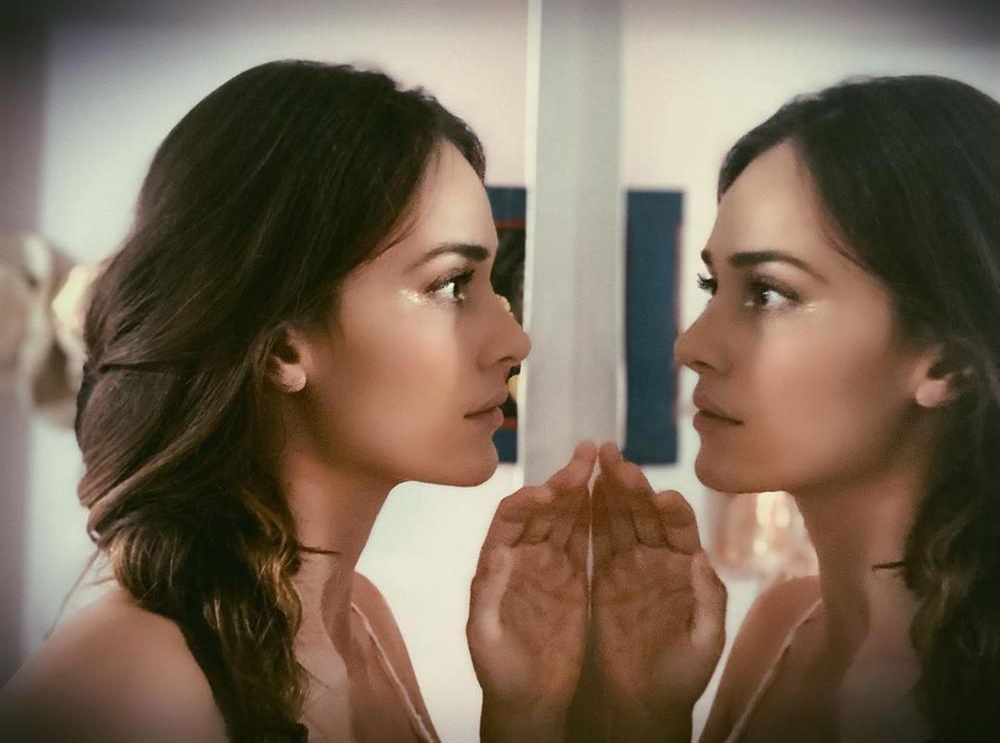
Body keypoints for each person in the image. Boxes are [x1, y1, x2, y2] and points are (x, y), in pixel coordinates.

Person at [0, 58, 599, 743]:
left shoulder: (361, 623)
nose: (515, 340)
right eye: (451, 284)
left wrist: (523, 714)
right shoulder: (125, 686)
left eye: (490, 284)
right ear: (283, 348)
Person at [670, 75, 1000, 742]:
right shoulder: (775, 630)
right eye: (713, 284)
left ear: (949, 367)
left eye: (769, 293)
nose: (692, 346)